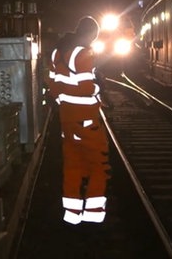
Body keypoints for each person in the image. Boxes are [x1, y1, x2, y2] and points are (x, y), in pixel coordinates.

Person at [45, 16, 111, 225]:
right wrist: (98, 87)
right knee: (98, 164)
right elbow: (85, 89)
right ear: (91, 34)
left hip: (66, 118)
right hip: (85, 119)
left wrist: (65, 99)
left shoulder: (57, 53)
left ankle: (72, 214)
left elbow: (52, 87)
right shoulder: (83, 53)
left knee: (73, 164)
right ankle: (93, 214)